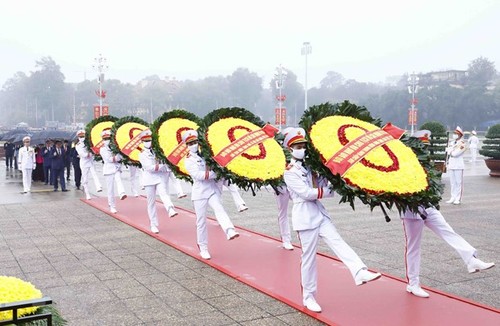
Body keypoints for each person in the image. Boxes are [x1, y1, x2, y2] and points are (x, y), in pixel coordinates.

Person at [283, 127, 381, 313]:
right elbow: (306, 193)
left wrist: (331, 178)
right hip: (304, 217)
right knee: (309, 259)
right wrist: (328, 191)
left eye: (303, 145)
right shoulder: (289, 171)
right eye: (297, 146)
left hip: (320, 214)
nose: (302, 148)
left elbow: (318, 185)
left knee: (338, 241)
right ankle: (309, 297)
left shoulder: (311, 166)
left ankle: (359, 271)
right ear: (290, 149)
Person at [401, 206, 495, 298]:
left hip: (428, 206)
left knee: (448, 232)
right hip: (411, 211)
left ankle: (471, 260)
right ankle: (413, 284)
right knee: (413, 246)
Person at [182, 129, 239, 260]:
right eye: (190, 143)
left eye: (195, 142)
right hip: (199, 193)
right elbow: (198, 175)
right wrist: (216, 174)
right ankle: (203, 248)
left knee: (219, 208)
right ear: (187, 145)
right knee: (201, 221)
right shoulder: (189, 160)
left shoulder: (205, 155)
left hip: (211, 189)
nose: (194, 145)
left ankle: (229, 230)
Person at [139, 130, 178, 233]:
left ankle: (170, 209)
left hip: (159, 178)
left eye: (149, 140)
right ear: (142, 142)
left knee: (164, 193)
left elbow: (163, 161)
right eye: (146, 140)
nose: (148, 142)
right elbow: (149, 168)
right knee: (151, 203)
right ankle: (153, 224)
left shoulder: (157, 151)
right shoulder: (142, 154)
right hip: (149, 180)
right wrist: (162, 167)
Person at [100, 128, 127, 213]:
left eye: (108, 139)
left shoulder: (115, 147)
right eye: (105, 139)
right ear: (102, 140)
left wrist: (116, 158)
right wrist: (116, 158)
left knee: (118, 180)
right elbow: (108, 159)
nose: (106, 140)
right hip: (108, 170)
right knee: (110, 189)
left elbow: (121, 156)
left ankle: (122, 193)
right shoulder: (102, 149)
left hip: (116, 168)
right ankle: (112, 205)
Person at [75, 130, 103, 200]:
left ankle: (98, 186)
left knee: (94, 174)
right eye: (80, 136)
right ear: (78, 137)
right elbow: (82, 154)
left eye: (83, 136)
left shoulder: (89, 143)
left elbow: (93, 149)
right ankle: (87, 194)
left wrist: (93, 153)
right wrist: (89, 154)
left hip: (90, 161)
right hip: (84, 163)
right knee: (85, 179)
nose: (82, 138)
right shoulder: (77, 145)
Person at [446, 126, 467, 205]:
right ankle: (453, 197)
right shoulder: (452, 142)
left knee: (458, 182)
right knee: (452, 182)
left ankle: (458, 198)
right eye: (454, 133)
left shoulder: (462, 143)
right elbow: (448, 151)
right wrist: (450, 151)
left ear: (460, 135)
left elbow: (455, 154)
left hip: (458, 165)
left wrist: (450, 151)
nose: (454, 135)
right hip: (451, 164)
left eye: (456, 134)